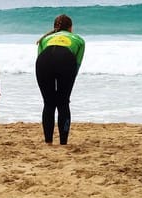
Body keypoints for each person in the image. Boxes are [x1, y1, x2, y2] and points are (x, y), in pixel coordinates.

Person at [36, 14, 85, 145]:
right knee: (63, 103)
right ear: (70, 27)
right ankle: (63, 142)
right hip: (66, 60)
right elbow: (77, 64)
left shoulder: (44, 39)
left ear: (54, 27)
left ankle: (48, 142)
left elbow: (39, 57)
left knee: (48, 103)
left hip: (43, 61)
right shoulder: (79, 39)